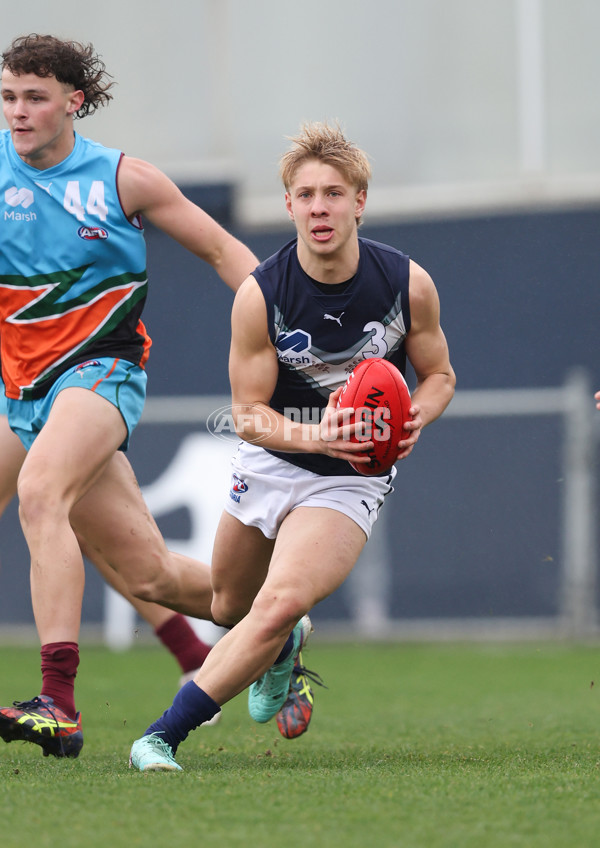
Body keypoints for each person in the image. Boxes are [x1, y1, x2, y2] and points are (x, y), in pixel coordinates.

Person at [129, 121, 456, 771]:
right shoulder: (263, 294)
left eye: (334, 194)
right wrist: (316, 433)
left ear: (360, 201)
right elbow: (246, 415)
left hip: (349, 480)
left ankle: (161, 736)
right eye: (305, 195)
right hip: (271, 460)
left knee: (278, 603)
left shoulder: (404, 284)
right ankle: (283, 649)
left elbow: (440, 375)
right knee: (230, 605)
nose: (319, 208)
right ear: (288, 204)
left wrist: (415, 416)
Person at [0, 33, 259, 759]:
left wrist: (285, 319)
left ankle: (59, 703)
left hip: (100, 376)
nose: (18, 113)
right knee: (148, 571)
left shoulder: (123, 179)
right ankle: (273, 618)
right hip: (20, 391)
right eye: (9, 96)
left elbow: (221, 250)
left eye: (35, 98)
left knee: (41, 493)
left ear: (73, 103)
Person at [0, 390, 213, 689]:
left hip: (70, 380)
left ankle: (271, 614)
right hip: (19, 383)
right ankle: (199, 649)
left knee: (149, 572)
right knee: (105, 547)